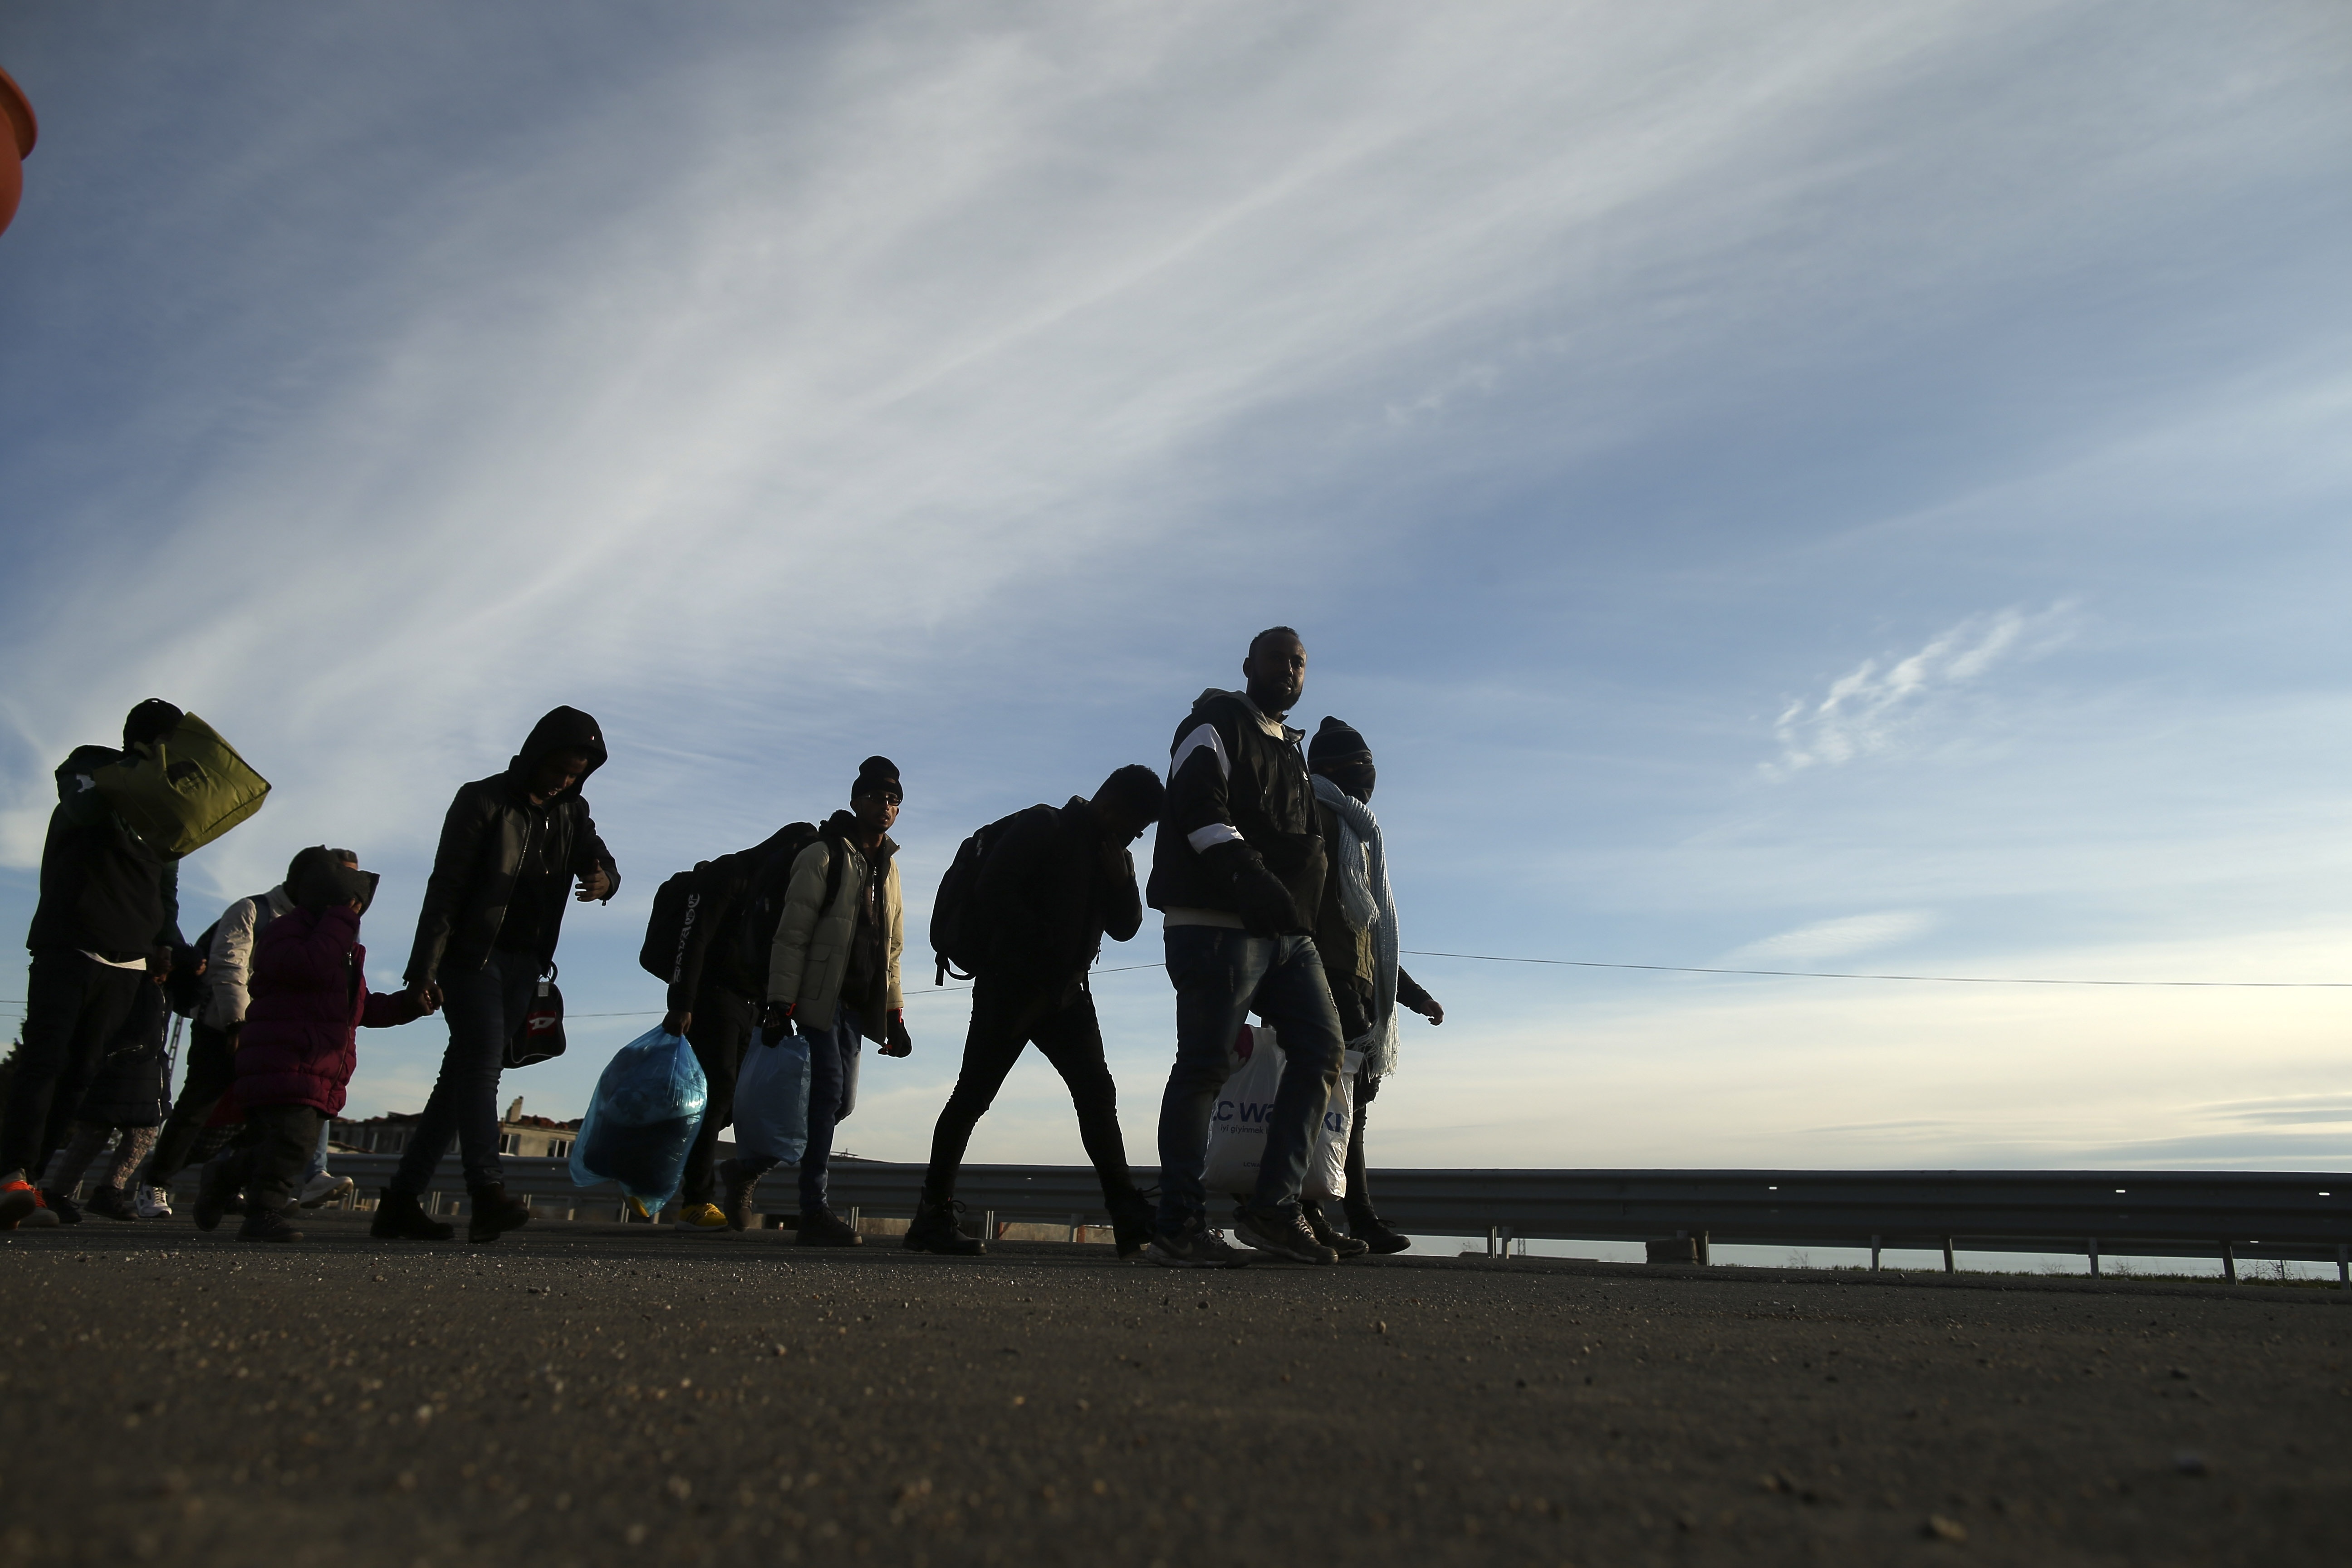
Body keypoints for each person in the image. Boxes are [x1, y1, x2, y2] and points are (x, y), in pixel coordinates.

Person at [906, 765, 1168, 1259]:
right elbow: (993, 889)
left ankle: (1128, 1217)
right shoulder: (1044, 827)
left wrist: (1123, 882)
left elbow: (1127, 928)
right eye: (1134, 826)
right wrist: (1046, 947)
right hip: (1013, 989)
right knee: (972, 1097)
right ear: (1111, 807)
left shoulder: (1112, 855)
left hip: (1066, 996)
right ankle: (930, 1216)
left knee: (1096, 1093)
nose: (1133, 837)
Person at [378, 707, 619, 1244]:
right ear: (537, 756)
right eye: (559, 768)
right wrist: (423, 970)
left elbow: (598, 857)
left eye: (576, 773)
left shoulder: (573, 811)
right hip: (472, 959)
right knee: (483, 1066)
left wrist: (606, 879)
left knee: (458, 1082)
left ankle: (398, 1202)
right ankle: (487, 1192)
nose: (565, 780)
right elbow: (445, 889)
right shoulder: (482, 799)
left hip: (526, 962)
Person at [1145, 628, 1346, 1267]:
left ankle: (1273, 1209)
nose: (1290, 670)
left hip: (1288, 934)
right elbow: (1196, 805)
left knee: (1323, 1049)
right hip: (1216, 925)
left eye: (1300, 663)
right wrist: (1247, 873)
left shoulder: (1292, 747)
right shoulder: (1214, 723)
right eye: (1278, 660)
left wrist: (1305, 917)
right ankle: (1179, 1223)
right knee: (1205, 1065)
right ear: (1248, 666)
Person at [3, 700, 192, 1231]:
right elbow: (84, 810)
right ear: (151, 742)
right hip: (72, 942)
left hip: (129, 961)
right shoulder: (90, 767)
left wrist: (169, 945)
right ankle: (10, 1174)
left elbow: (167, 889)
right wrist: (142, 767)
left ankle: (31, 1188)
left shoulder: (166, 806)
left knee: (82, 1073)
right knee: (45, 1060)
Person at [193, 849, 421, 1242]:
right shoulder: (287, 931)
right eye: (350, 902)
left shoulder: (343, 949)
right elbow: (308, 966)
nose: (356, 911)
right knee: (290, 1142)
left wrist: (408, 1006)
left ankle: (225, 1176)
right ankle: (263, 1213)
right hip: (284, 1059)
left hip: (318, 1068)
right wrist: (341, 921)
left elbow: (358, 1007)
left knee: (285, 1145)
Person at [750, 757, 911, 1246]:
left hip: (859, 1007)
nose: (886, 806)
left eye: (894, 800)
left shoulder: (891, 868)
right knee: (825, 1098)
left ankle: (746, 1169)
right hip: (820, 1001)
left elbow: (893, 948)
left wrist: (894, 1013)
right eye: (877, 797)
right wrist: (780, 1001)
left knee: (838, 1103)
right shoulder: (823, 855)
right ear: (856, 801)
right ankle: (813, 1209)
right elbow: (792, 934)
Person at [1305, 717, 1444, 1255]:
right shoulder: (1316, 816)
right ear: (1339, 772)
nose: (1370, 780)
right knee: (1324, 1107)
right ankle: (1330, 1213)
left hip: (1356, 987)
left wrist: (1414, 997)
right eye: (1363, 769)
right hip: (1318, 979)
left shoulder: (1360, 836)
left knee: (1346, 1108)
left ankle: (1339, 1214)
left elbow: (1374, 938)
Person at [658, 823, 813, 1229]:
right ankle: (696, 1199)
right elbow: (695, 940)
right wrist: (682, 1003)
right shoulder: (732, 873)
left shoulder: (778, 888)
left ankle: (669, 1164)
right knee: (720, 1089)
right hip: (714, 996)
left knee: (731, 1100)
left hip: (752, 1003)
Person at [140, 849, 309, 1199]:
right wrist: (237, 1023)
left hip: (269, 1036)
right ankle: (155, 1183)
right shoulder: (252, 910)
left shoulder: (311, 924)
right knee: (195, 1110)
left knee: (263, 1118)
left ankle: (232, 1187)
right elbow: (229, 966)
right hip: (221, 1028)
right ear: (299, 881)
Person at [37, 981, 174, 1221]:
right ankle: (68, 1194)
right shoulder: (132, 981)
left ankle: (98, 1191)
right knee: (97, 1129)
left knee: (139, 1131)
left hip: (144, 1064)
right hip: (119, 1058)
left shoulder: (166, 988)